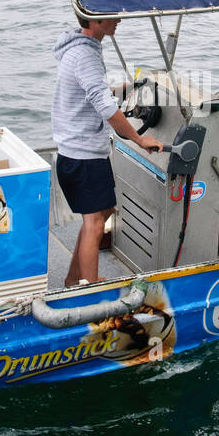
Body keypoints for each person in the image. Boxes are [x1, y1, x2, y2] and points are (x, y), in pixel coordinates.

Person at [52, 14, 162, 286]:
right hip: (84, 155)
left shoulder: (76, 49)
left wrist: (125, 88)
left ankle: (73, 279)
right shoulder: (86, 56)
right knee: (95, 223)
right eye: (112, 16)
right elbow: (104, 106)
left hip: (74, 153)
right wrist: (139, 139)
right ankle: (90, 289)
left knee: (102, 213)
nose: (119, 19)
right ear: (96, 21)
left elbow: (92, 92)